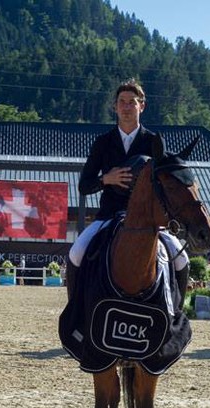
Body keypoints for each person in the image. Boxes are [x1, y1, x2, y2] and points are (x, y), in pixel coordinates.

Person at [68, 78, 188, 297]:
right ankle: (75, 313)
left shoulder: (154, 142)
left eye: (132, 102)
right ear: (115, 107)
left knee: (181, 259)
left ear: (142, 106)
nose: (126, 107)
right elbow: (84, 186)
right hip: (109, 215)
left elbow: (167, 183)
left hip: (148, 219)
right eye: (121, 102)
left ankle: (176, 315)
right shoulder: (102, 142)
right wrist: (107, 179)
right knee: (76, 253)